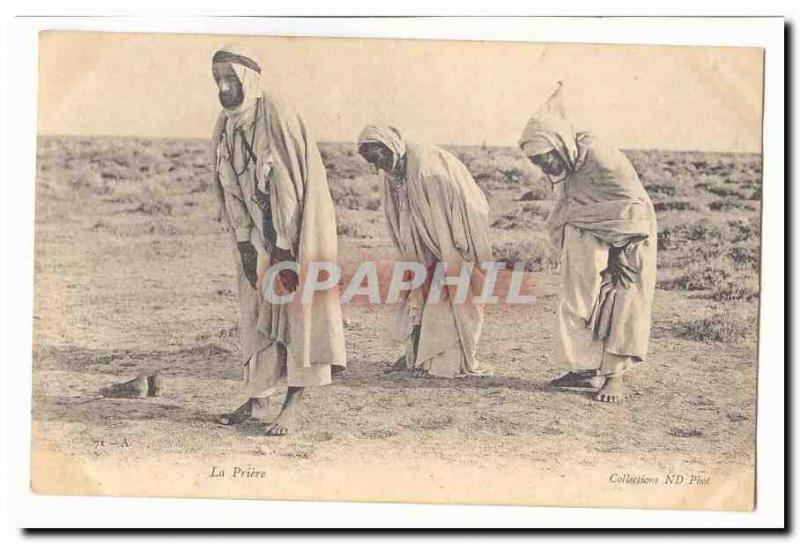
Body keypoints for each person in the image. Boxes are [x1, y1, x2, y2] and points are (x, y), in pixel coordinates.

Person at [210, 44, 346, 433]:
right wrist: (244, 243)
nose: (223, 88)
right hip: (256, 238)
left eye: (229, 79)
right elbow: (230, 188)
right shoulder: (227, 125)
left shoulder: (276, 113)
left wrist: (286, 248)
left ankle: (292, 405)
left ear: (247, 79)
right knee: (256, 315)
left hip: (295, 235)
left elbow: (289, 187)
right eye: (217, 80)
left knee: (298, 316)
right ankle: (256, 400)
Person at [518, 84, 657, 403]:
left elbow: (629, 203)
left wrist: (624, 249)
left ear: (559, 144)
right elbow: (571, 204)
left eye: (545, 158)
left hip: (629, 232)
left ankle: (614, 377)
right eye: (537, 163)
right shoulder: (567, 164)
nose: (545, 167)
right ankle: (583, 369)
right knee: (575, 298)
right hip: (585, 228)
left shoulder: (600, 156)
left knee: (622, 295)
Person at [357, 125, 492, 378]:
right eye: (370, 162)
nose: (376, 168)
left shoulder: (423, 164)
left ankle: (443, 360)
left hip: (451, 241)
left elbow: (442, 218)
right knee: (420, 288)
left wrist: (443, 253)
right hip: (425, 242)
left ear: (389, 147)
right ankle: (419, 354)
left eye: (376, 159)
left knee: (448, 290)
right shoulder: (395, 170)